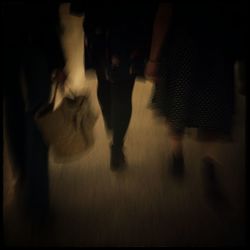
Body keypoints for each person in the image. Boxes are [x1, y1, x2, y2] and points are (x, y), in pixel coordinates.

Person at [144, 2, 240, 200]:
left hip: (182, 49)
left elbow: (164, 13)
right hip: (217, 50)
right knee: (212, 109)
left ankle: (177, 156)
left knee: (176, 105)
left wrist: (153, 59)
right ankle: (209, 163)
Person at [84, 2, 154, 170]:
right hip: (130, 23)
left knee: (104, 81)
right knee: (122, 91)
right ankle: (117, 144)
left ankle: (112, 124)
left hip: (101, 25)